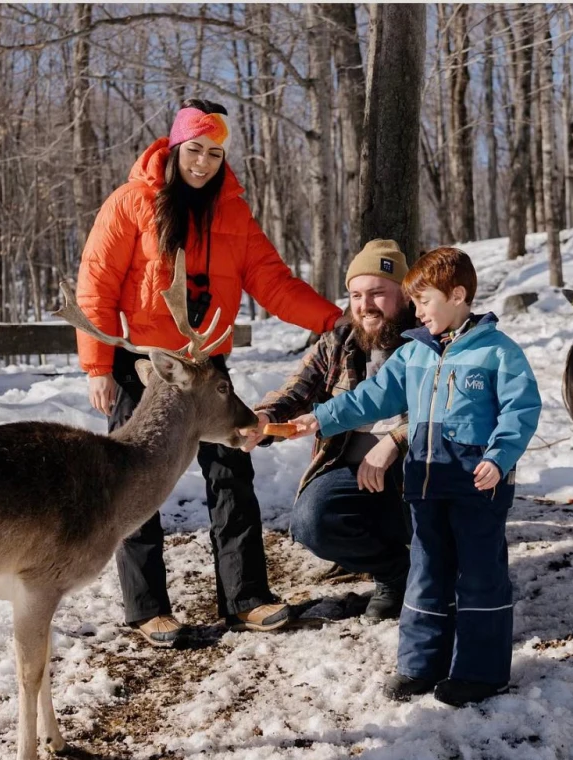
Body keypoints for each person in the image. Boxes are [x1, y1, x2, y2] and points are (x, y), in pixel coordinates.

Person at [76, 98, 344, 646]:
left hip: (207, 368)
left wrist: (334, 320)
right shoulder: (131, 204)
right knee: (133, 483)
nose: (203, 163)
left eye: (215, 154)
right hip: (145, 369)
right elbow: (96, 284)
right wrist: (98, 366)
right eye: (195, 150)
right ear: (175, 148)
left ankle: (246, 597)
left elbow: (272, 281)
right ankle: (148, 608)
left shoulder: (233, 213)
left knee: (231, 472)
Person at [287, 247, 542, 706]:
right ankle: (420, 664)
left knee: (480, 575)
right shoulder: (416, 355)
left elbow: (521, 410)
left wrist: (499, 457)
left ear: (458, 295)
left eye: (424, 301)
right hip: (427, 482)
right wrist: (322, 418)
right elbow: (370, 398)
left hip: (479, 486)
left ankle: (481, 673)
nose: (418, 311)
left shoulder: (497, 352)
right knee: (427, 571)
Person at [247, 240, 417, 622]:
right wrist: (263, 418)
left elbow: (446, 411)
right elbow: (295, 391)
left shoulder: (426, 340)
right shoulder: (340, 342)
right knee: (311, 520)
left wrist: (394, 440)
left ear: (404, 295)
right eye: (356, 294)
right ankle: (394, 572)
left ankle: (434, 572)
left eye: (378, 293)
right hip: (349, 469)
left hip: (417, 468)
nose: (365, 305)